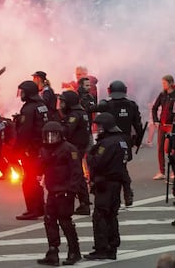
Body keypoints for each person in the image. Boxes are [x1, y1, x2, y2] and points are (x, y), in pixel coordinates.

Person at [37, 121, 82, 266]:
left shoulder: (69, 149)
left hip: (65, 191)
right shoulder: (44, 150)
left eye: (53, 135)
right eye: (48, 136)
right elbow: (41, 166)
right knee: (49, 221)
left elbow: (76, 172)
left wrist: (72, 190)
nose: (50, 139)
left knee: (65, 222)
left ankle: (74, 251)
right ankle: (52, 251)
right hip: (52, 191)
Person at [85, 112, 128, 260]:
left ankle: (102, 248)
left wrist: (90, 154)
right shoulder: (121, 140)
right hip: (116, 183)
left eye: (100, 126)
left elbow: (97, 162)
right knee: (111, 216)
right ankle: (112, 247)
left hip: (105, 184)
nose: (98, 129)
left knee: (100, 216)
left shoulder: (107, 144)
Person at [97, 80, 142, 206]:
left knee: (114, 168)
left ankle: (124, 193)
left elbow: (100, 121)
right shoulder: (132, 105)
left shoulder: (106, 105)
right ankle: (127, 192)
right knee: (122, 166)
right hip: (125, 141)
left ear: (109, 91)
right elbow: (138, 125)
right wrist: (137, 140)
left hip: (109, 141)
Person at [15, 80, 48, 220]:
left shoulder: (28, 109)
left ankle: (33, 209)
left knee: (28, 180)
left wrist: (16, 150)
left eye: (22, 91)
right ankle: (40, 207)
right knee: (34, 179)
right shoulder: (42, 106)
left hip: (31, 149)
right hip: (42, 147)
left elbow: (25, 132)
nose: (21, 94)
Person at [152, 75, 175, 180]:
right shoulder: (162, 94)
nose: (163, 85)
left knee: (170, 149)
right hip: (162, 124)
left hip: (172, 125)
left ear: (171, 83)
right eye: (162, 83)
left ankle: (174, 171)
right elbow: (154, 108)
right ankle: (162, 171)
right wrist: (156, 120)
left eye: (165, 83)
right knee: (160, 148)